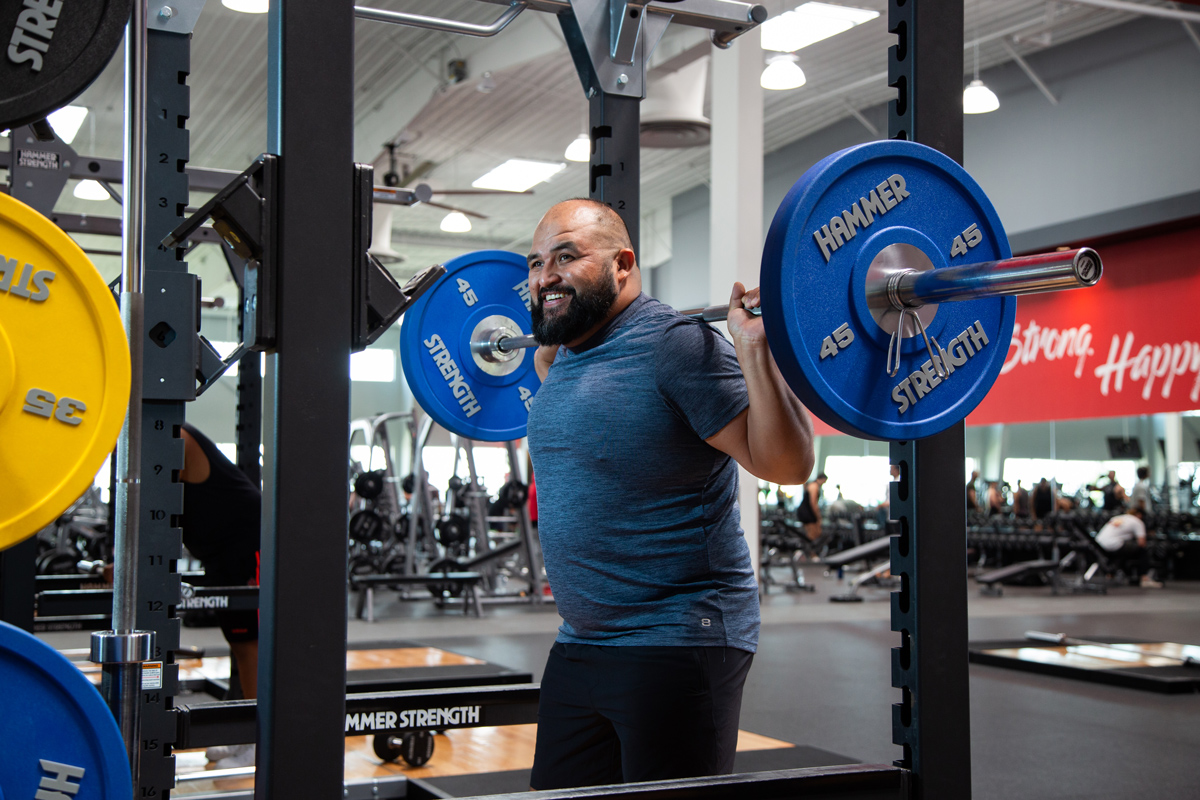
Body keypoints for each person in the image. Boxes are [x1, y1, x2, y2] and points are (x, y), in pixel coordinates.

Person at [523, 198, 814, 790]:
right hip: (582, 640)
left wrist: (754, 348)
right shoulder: (568, 353)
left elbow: (787, 464)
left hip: (676, 638)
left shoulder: (676, 347)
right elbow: (582, 391)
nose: (545, 275)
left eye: (566, 257)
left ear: (623, 264)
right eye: (535, 263)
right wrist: (548, 339)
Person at [178, 424, 262, 768]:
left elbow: (153, 499)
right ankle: (244, 731)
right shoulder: (146, 435)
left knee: (252, 645)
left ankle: (260, 740)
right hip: (218, 553)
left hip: (245, 541)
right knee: (238, 644)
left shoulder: (174, 436)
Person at [1094, 507, 1161, 588]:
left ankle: (1111, 575)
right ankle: (1144, 579)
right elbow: (1142, 543)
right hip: (1113, 544)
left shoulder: (1117, 518)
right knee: (1143, 550)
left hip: (1098, 544)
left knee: (1124, 550)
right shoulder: (1138, 522)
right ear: (1139, 515)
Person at [796, 472, 827, 542]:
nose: (823, 484)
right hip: (807, 513)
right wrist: (818, 516)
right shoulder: (814, 486)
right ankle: (810, 552)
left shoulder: (812, 485)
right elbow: (813, 503)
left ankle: (809, 551)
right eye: (824, 482)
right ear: (822, 479)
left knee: (815, 534)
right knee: (812, 535)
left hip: (806, 512)